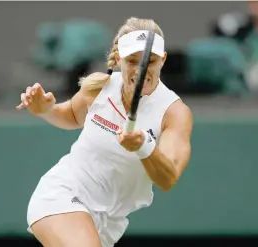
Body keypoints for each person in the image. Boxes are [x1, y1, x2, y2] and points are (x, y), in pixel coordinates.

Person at [16, 17, 193, 247]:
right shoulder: (99, 87)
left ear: (163, 59)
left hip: (108, 222)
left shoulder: (175, 113)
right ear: (119, 59)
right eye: (132, 61)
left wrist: (144, 146)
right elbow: (70, 115)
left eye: (150, 61)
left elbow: (167, 178)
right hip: (61, 194)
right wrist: (45, 110)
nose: (141, 70)